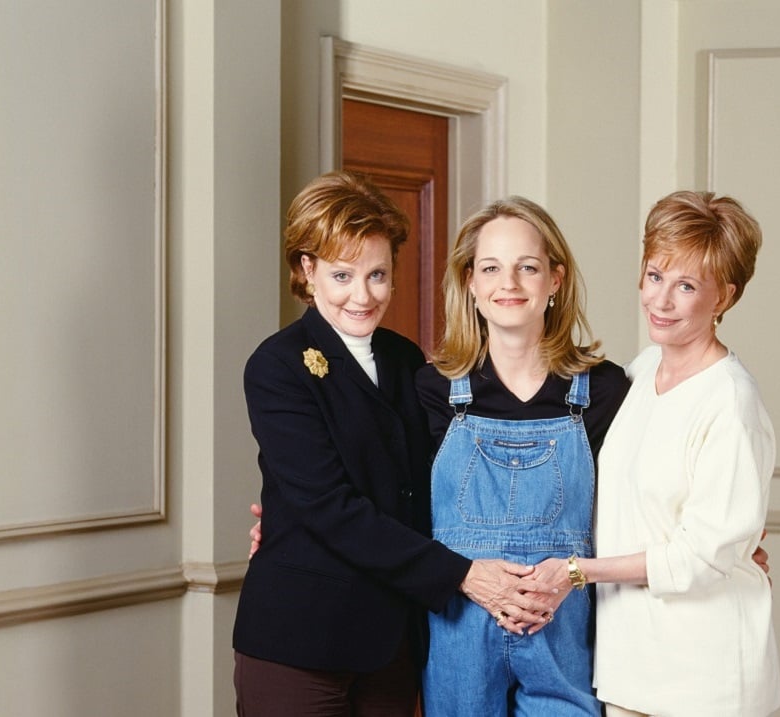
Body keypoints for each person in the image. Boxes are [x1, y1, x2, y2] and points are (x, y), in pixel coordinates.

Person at [232, 171, 552, 717]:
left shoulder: (409, 362)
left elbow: (445, 479)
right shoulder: (277, 365)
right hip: (300, 640)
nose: (363, 295)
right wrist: (464, 574)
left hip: (391, 641)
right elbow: (330, 508)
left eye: (377, 274)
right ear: (307, 271)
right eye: (342, 275)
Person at [526, 191, 780, 716]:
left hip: (703, 680)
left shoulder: (730, 402)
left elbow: (699, 557)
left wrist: (579, 571)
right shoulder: (642, 372)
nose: (660, 301)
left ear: (724, 297)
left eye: (686, 285)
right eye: (654, 276)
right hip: (630, 670)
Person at [414, 197, 630, 715]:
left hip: (566, 638)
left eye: (526, 267)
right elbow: (392, 505)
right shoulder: (430, 389)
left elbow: (643, 498)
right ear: (470, 281)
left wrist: (729, 542)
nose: (508, 284)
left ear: (555, 279)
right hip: (458, 633)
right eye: (491, 267)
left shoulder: (605, 390)